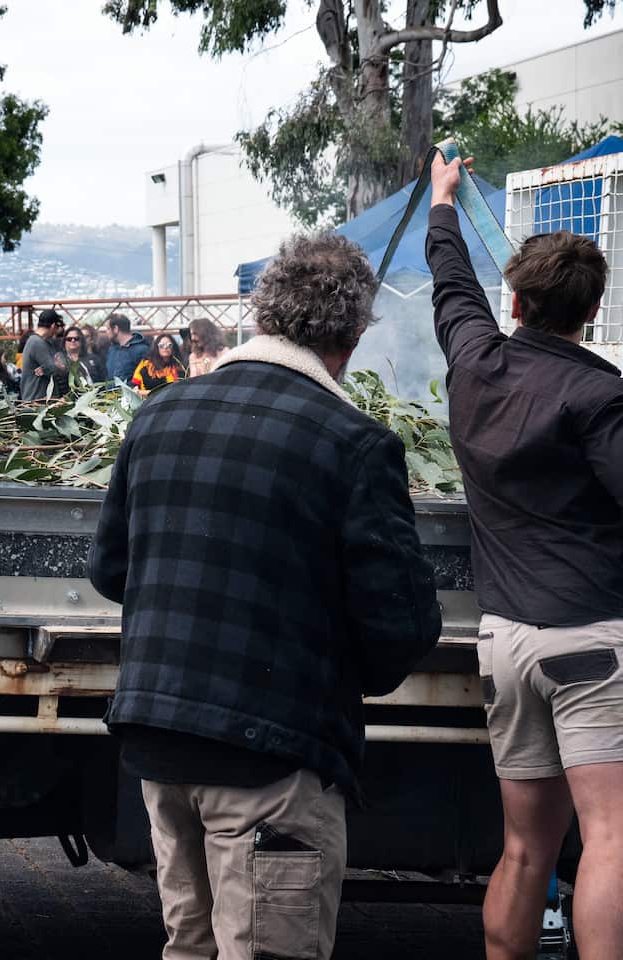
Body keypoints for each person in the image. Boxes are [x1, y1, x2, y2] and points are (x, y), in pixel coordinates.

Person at [90, 231, 440, 960]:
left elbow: (109, 571)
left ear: (264, 311)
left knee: (187, 946)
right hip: (271, 755)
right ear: (351, 336)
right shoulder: (354, 442)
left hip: (159, 741)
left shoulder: (159, 415)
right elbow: (399, 626)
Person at [427, 154, 623, 960]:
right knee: (608, 839)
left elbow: (450, 283)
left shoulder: (476, 362)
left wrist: (443, 202)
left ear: (516, 300)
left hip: (503, 642)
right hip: (589, 640)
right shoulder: (598, 394)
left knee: (524, 848)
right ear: (594, 308)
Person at [19, 309, 60, 401]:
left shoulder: (44, 342)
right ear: (53, 326)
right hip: (36, 399)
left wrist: (48, 367)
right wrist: (55, 366)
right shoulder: (36, 342)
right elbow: (52, 369)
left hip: (43, 399)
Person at [53, 324, 105, 395]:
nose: (73, 340)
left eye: (76, 338)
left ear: (81, 340)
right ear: (64, 341)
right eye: (69, 339)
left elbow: (102, 380)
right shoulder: (59, 359)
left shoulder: (94, 358)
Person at [106, 313, 149, 384]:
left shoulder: (142, 351)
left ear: (116, 329)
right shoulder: (112, 350)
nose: (106, 332)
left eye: (108, 329)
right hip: (112, 394)